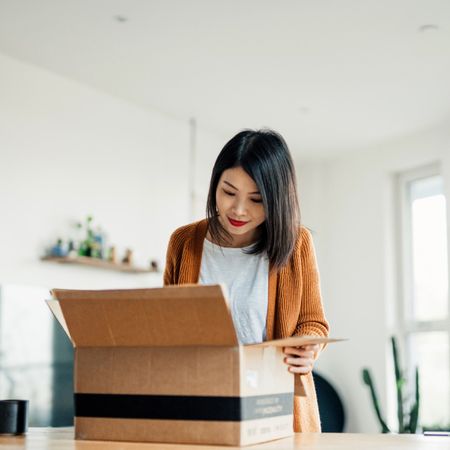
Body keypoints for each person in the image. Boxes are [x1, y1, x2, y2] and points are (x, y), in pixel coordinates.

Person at [164, 128, 329, 432]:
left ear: (277, 200)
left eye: (256, 199)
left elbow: (314, 323)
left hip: (275, 408)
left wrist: (307, 350)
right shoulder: (184, 243)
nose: (239, 210)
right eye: (228, 192)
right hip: (202, 405)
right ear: (215, 185)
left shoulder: (297, 243)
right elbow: (169, 324)